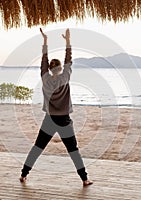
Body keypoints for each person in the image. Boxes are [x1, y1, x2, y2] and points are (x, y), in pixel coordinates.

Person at [19, 28, 93, 186]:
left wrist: (45, 42)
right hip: (64, 121)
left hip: (49, 120)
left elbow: (43, 62)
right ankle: (85, 179)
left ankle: (24, 174)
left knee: (37, 147)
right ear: (60, 68)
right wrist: (67, 42)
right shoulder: (65, 77)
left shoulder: (45, 79)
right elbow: (69, 60)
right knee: (73, 151)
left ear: (49, 69)